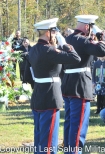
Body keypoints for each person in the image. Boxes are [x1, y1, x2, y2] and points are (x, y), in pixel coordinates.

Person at [28, 18, 81, 154]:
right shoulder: (50, 51)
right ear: (48, 33)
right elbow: (76, 58)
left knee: (40, 136)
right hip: (50, 96)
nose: (56, 34)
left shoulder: (33, 49)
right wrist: (65, 45)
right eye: (54, 31)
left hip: (38, 95)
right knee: (49, 140)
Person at [61, 15, 105, 154]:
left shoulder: (68, 38)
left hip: (68, 82)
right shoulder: (83, 40)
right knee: (79, 124)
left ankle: (68, 150)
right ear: (88, 26)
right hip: (80, 85)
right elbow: (103, 51)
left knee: (69, 122)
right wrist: (102, 36)